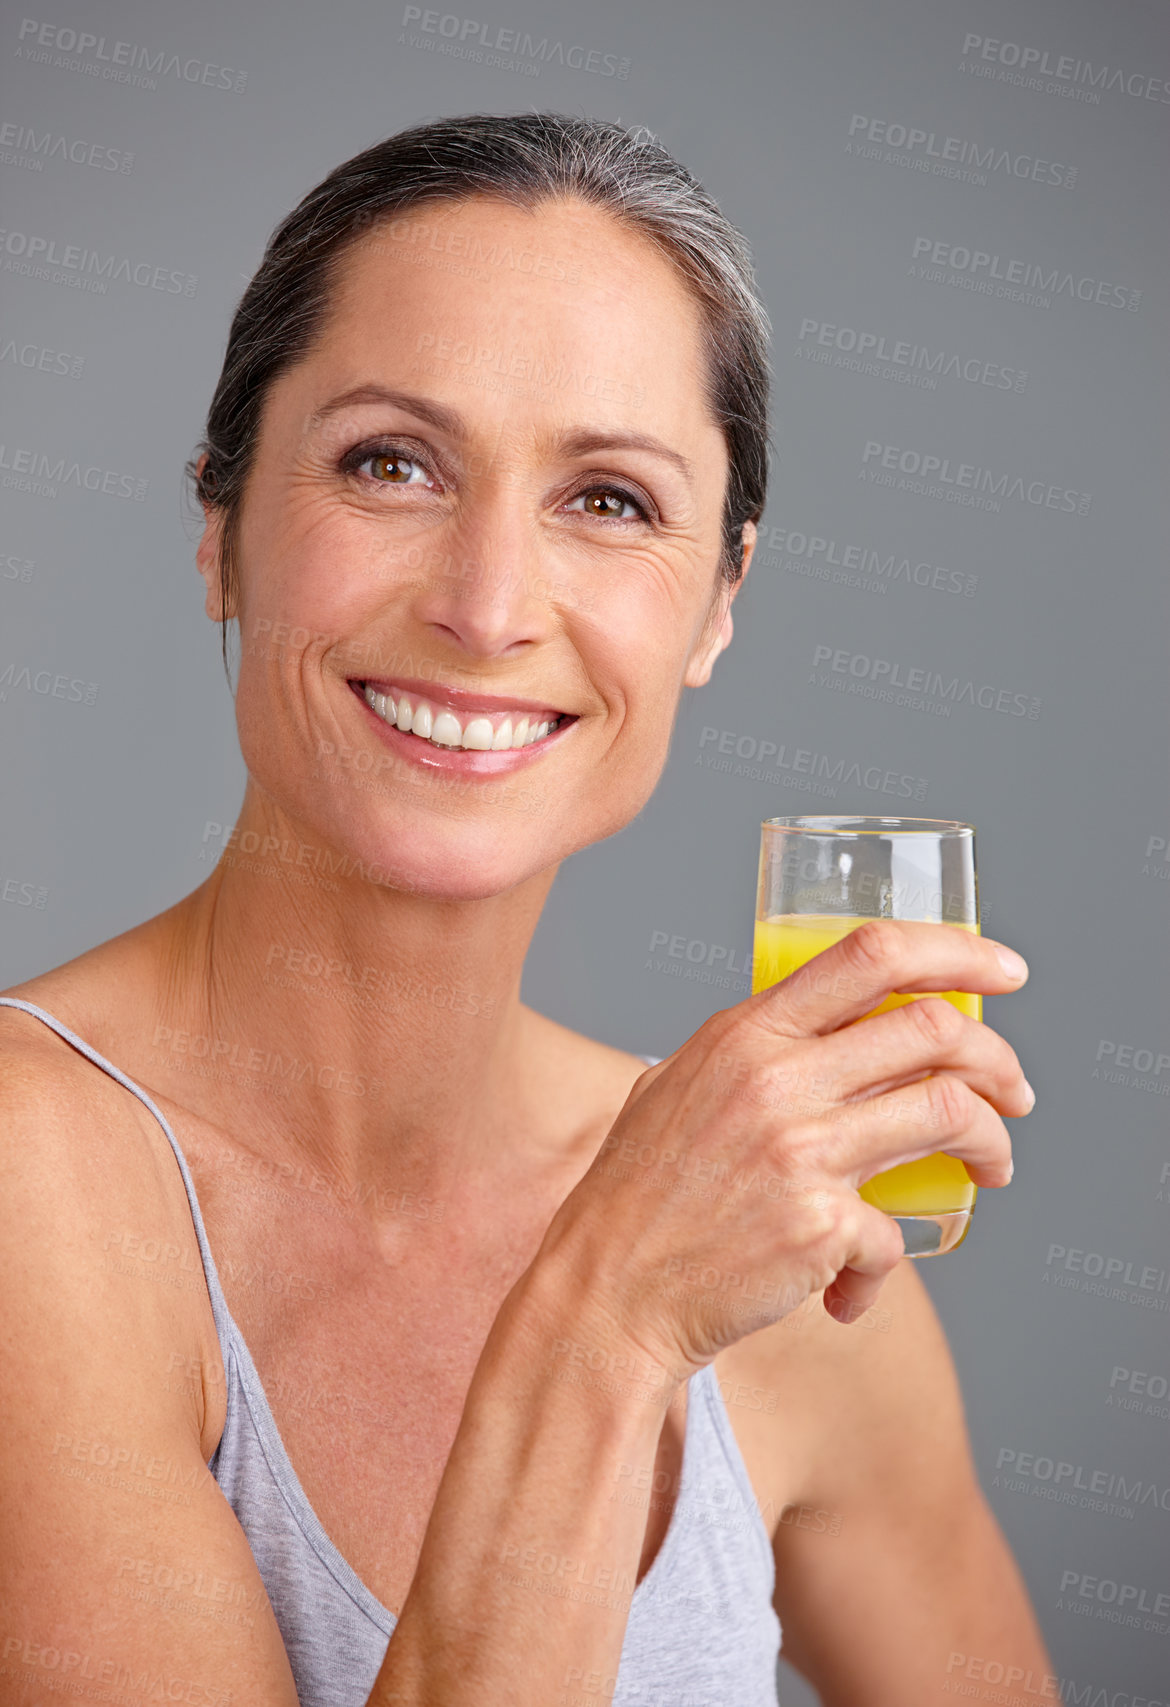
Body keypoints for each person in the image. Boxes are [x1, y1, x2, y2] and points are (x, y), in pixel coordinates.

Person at [0, 112, 1052, 1706]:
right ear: (220, 525)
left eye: (611, 501)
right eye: (389, 463)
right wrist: (607, 1313)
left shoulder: (763, 1217)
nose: (486, 607)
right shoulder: (36, 1192)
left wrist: (660, 1245)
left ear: (718, 603)